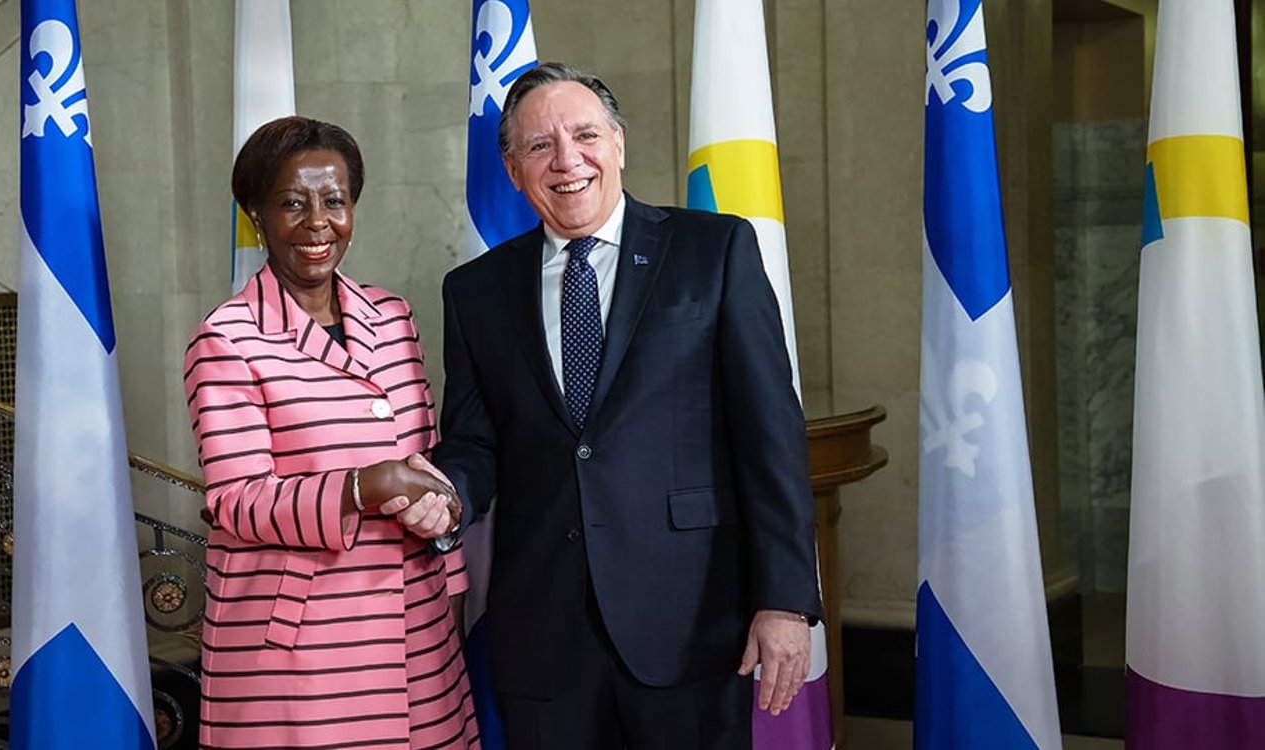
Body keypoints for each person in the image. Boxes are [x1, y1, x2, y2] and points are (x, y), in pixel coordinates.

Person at [433, 62, 821, 749]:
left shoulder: (714, 250)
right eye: (539, 146)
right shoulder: (475, 292)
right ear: (513, 168)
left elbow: (771, 435)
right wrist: (443, 492)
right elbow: (475, 442)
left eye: (585, 135)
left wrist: (786, 599)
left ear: (618, 144)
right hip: (543, 633)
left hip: (692, 623)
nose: (567, 159)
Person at [184, 116, 479, 749]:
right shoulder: (226, 339)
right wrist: (362, 486)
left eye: (334, 200)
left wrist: (451, 571)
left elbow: (427, 463)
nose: (318, 222)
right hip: (301, 661)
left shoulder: (394, 317)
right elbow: (235, 500)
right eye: (292, 203)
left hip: (418, 638)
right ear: (257, 216)